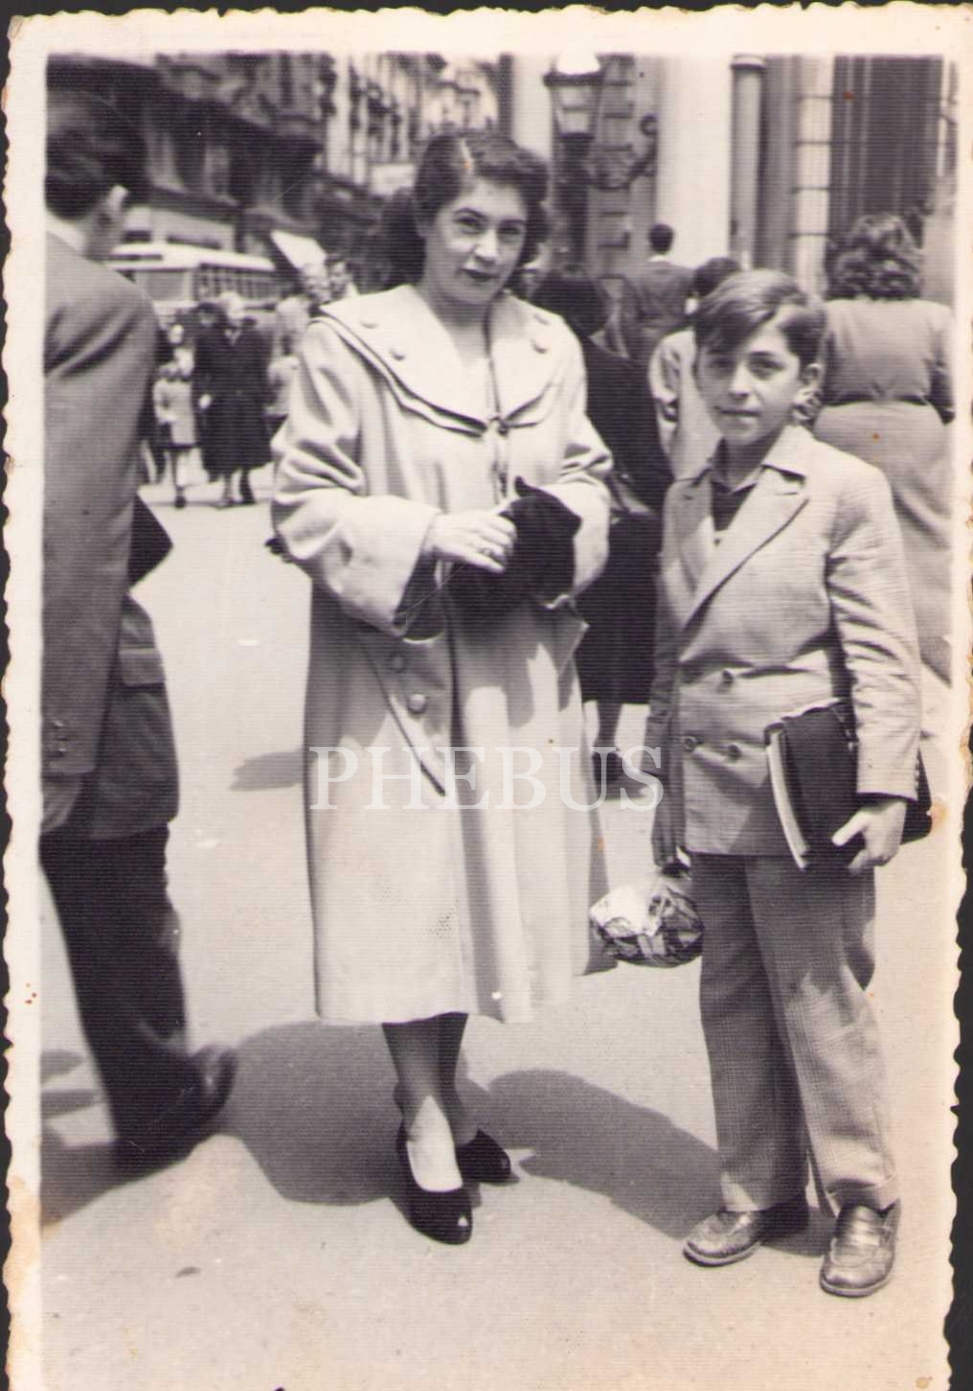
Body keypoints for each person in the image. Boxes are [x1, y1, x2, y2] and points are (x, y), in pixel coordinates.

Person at [273, 129, 613, 1247]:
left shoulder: (548, 344)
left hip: (510, 654)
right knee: (405, 883)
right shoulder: (349, 340)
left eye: (509, 230)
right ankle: (421, 1112)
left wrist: (559, 525)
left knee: (474, 883)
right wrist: (424, 531)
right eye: (467, 222)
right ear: (421, 220)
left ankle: (444, 1090)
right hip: (393, 655)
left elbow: (589, 472)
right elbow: (303, 500)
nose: (487, 250)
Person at [646, 269, 921, 1297]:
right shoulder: (682, 496)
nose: (737, 386)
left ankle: (861, 1198)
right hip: (710, 786)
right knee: (729, 996)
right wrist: (665, 787)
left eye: (763, 366)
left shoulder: (842, 490)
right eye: (720, 364)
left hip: (805, 793)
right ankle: (757, 1188)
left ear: (806, 381)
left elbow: (882, 654)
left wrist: (884, 790)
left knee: (819, 998)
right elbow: (672, 657)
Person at [42, 89, 236, 1169]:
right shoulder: (100, 306)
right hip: (74, 681)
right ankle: (159, 1100)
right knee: (115, 893)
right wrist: (57, 745)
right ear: (114, 200)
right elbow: (69, 532)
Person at [533, 262, 671, 783]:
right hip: (612, 529)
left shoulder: (529, 374)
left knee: (549, 637)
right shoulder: (621, 373)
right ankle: (606, 747)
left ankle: (551, 745)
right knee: (611, 637)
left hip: (544, 521)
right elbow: (650, 463)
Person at [815, 213, 954, 686]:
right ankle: (926, 645)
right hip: (915, 436)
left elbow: (813, 384)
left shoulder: (830, 315)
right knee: (922, 544)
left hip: (841, 432)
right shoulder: (934, 317)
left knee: (843, 538)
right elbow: (951, 391)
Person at [649, 256, 740, 478]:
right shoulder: (752, 345)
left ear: (698, 296)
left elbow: (662, 416)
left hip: (689, 467)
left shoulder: (675, 346)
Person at [192, 290, 272, 507]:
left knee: (248, 443)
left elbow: (261, 368)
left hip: (248, 397)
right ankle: (227, 490)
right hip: (222, 398)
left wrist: (265, 395)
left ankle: (245, 481)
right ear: (223, 312)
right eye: (235, 311)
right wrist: (202, 394)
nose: (240, 315)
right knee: (225, 444)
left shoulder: (253, 336)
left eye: (242, 310)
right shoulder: (207, 338)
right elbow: (200, 371)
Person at [627, 222, 694, 368]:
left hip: (647, 345)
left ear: (649, 244)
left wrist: (633, 351)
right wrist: (686, 321)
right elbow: (702, 303)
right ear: (671, 245)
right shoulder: (686, 275)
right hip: (677, 339)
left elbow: (629, 319)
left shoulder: (635, 277)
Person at [152, 326, 197, 508]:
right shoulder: (162, 383)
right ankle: (178, 488)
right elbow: (158, 403)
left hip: (186, 418)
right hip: (171, 420)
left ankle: (181, 489)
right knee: (173, 456)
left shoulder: (190, 382)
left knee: (184, 456)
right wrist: (163, 415)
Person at [272, 259, 331, 356]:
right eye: (306, 279)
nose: (311, 283)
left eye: (315, 278)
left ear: (323, 280)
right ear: (300, 281)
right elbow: (278, 346)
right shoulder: (286, 308)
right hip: (298, 362)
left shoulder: (331, 307)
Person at [266, 332, 298, 438]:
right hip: (296, 413)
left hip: (280, 412)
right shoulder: (302, 366)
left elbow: (268, 390)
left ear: (282, 346)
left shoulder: (276, 366)